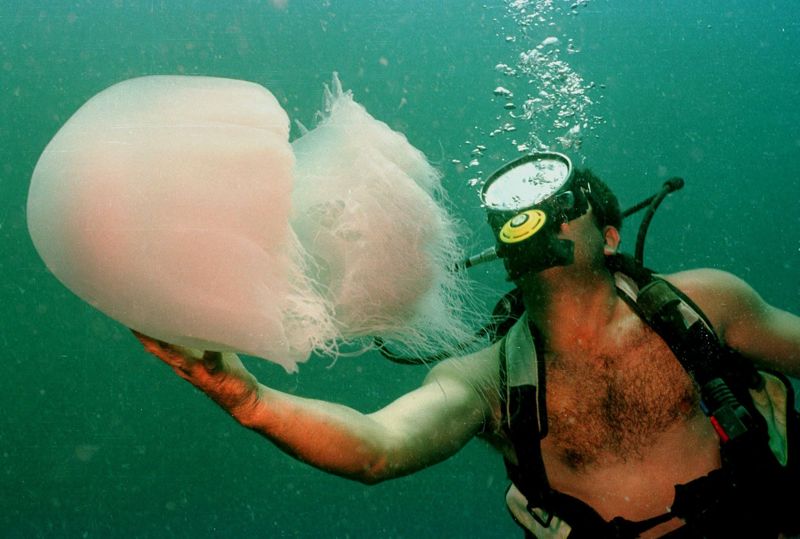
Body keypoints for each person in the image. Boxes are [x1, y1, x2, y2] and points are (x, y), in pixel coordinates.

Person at [136, 152, 800, 538]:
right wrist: (249, 399)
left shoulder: (702, 303)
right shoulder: (485, 378)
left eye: (561, 199)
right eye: (514, 208)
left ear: (610, 234)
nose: (536, 213)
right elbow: (378, 446)